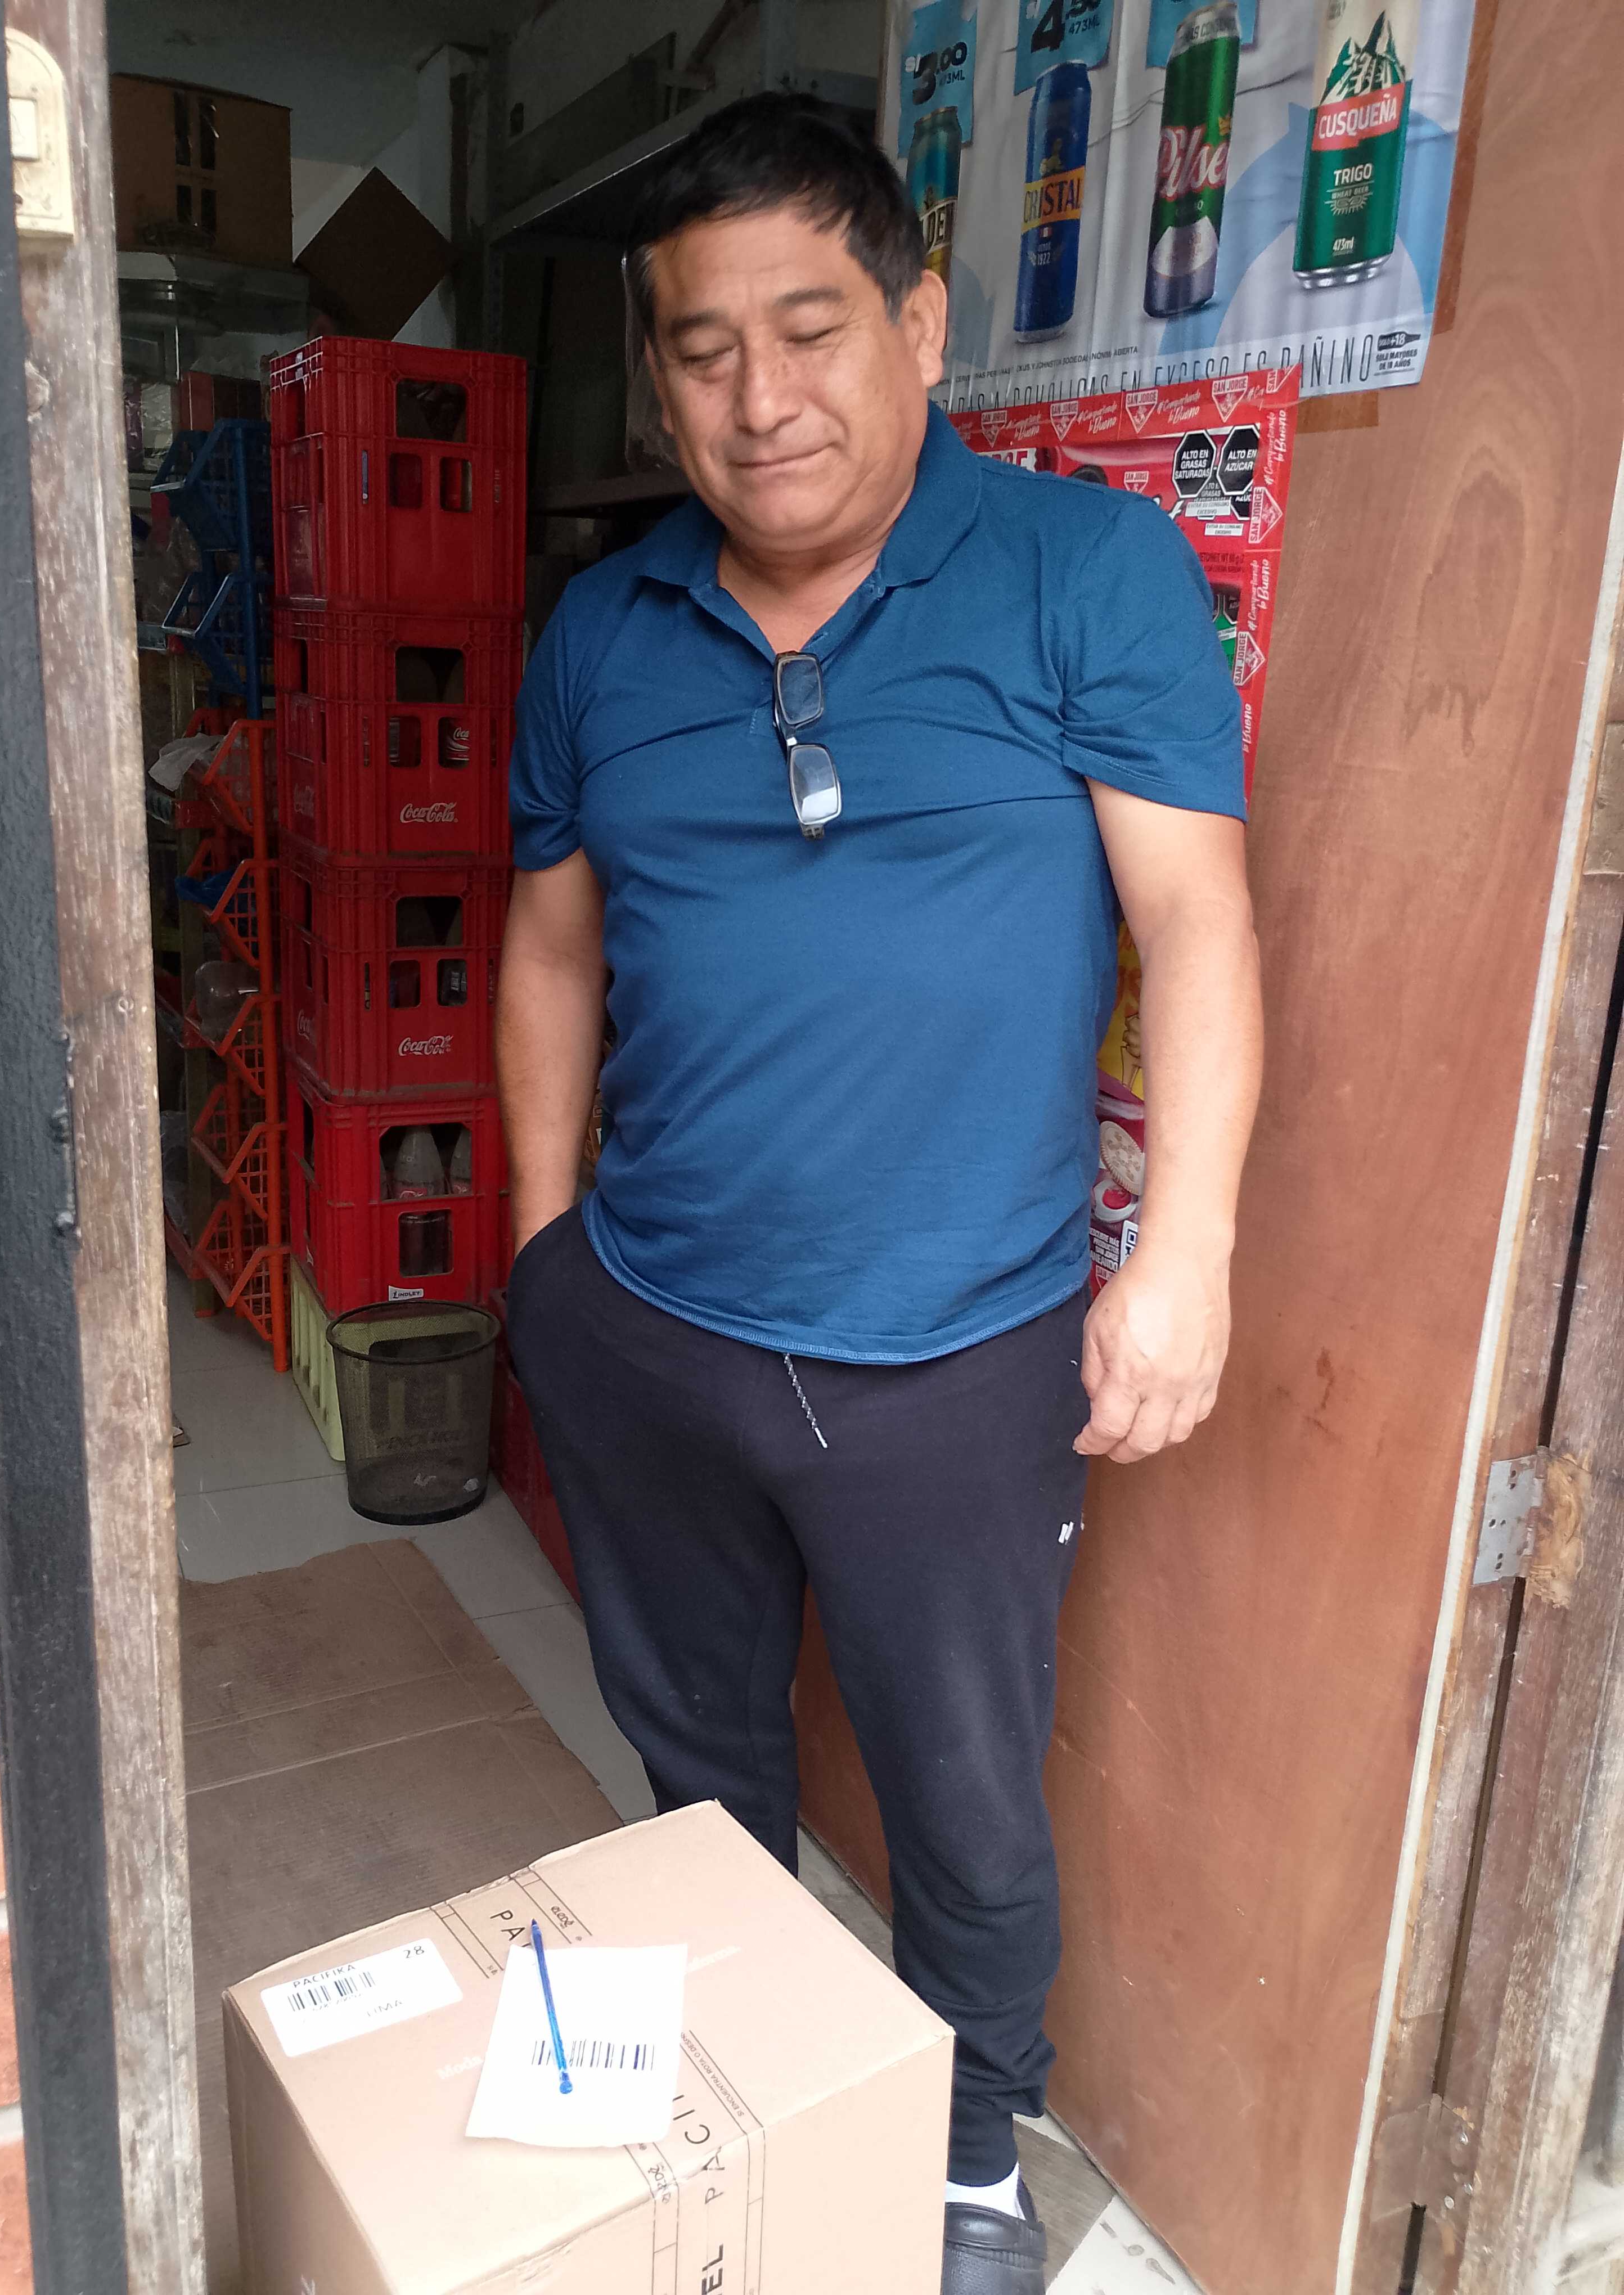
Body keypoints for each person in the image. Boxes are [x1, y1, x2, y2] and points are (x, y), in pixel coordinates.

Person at [496, 92, 1262, 2295]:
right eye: (704, 348)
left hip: (956, 1356)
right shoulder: (604, 630)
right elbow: (549, 948)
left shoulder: (1082, 573)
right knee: (693, 1747)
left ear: (920, 327)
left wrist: (1187, 1255)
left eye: (811, 329)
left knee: (966, 1799)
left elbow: (1198, 924)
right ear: (659, 380)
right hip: (652, 1323)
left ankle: (968, 2150)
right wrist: (544, 1248)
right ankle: (747, 2092)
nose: (760, 398)